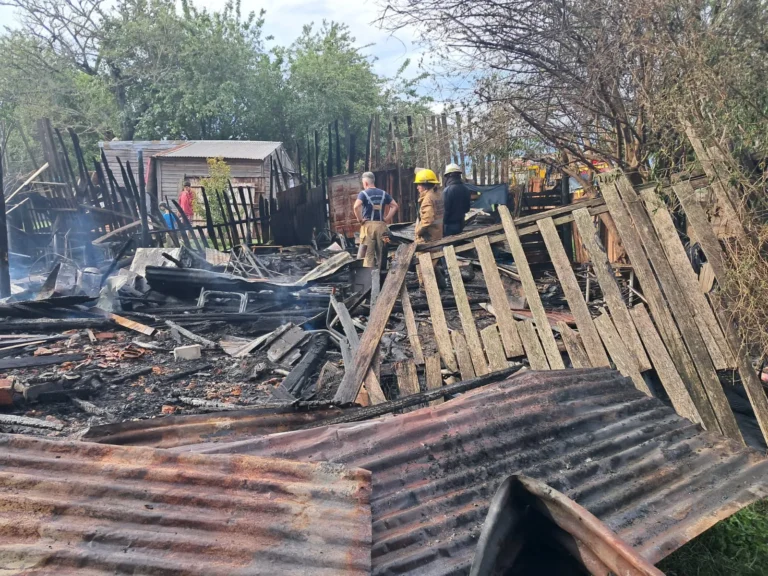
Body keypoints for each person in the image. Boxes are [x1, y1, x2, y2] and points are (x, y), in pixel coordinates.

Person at [353, 172, 399, 268]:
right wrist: (386, 219)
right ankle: (383, 279)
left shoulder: (363, 193)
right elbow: (395, 206)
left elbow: (356, 207)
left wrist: (360, 220)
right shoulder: (383, 193)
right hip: (381, 227)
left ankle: (369, 280)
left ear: (365, 183)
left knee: (368, 255)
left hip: (368, 227)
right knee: (382, 254)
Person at [414, 168, 447, 288]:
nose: (417, 187)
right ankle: (441, 286)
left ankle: (426, 291)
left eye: (419, 184)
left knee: (423, 267)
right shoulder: (437, 195)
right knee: (432, 263)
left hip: (427, 238)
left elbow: (427, 220)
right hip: (436, 235)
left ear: (425, 185)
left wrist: (418, 231)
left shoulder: (428, 198)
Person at [442, 163, 471, 236]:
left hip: (448, 226)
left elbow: (445, 211)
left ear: (448, 176)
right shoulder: (466, 189)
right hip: (461, 224)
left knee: (448, 246)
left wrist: (442, 225)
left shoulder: (447, 191)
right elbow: (467, 209)